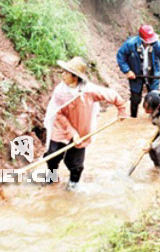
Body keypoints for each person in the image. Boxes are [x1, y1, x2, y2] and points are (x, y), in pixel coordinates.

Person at [43, 57, 127, 190]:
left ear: (75, 76)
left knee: (76, 166)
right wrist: (71, 133)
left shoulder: (89, 90)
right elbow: (58, 114)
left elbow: (112, 95)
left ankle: (72, 187)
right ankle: (52, 178)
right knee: (52, 156)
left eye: (66, 72)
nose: (62, 75)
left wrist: (121, 109)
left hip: (81, 128)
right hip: (61, 126)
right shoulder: (60, 91)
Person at [117, 25, 160, 118]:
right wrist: (127, 70)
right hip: (136, 75)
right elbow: (121, 56)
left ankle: (155, 117)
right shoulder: (130, 44)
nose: (150, 43)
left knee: (154, 97)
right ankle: (133, 117)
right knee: (135, 98)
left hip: (153, 75)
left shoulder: (157, 44)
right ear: (141, 38)